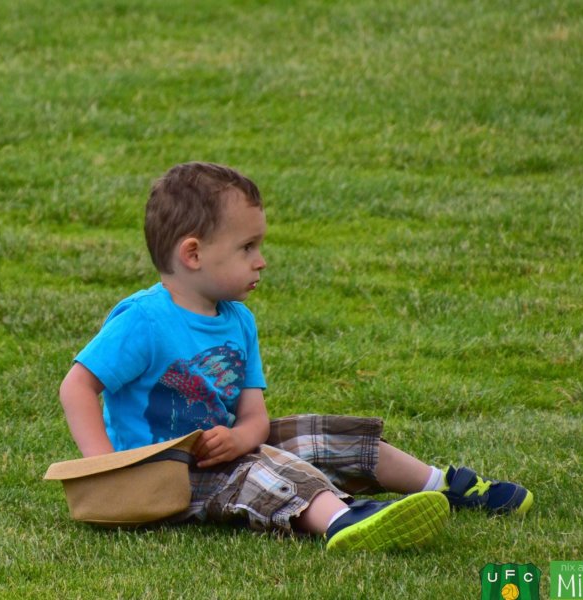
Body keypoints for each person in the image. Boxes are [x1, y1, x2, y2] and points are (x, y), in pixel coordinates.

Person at [58, 162, 533, 551]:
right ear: (193, 254)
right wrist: (105, 469)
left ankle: (443, 486)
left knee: (317, 431)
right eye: (247, 247)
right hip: (163, 478)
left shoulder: (239, 320)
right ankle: (345, 521)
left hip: (221, 455)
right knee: (264, 471)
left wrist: (241, 437)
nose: (261, 259)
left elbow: (254, 417)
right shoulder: (143, 321)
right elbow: (77, 386)